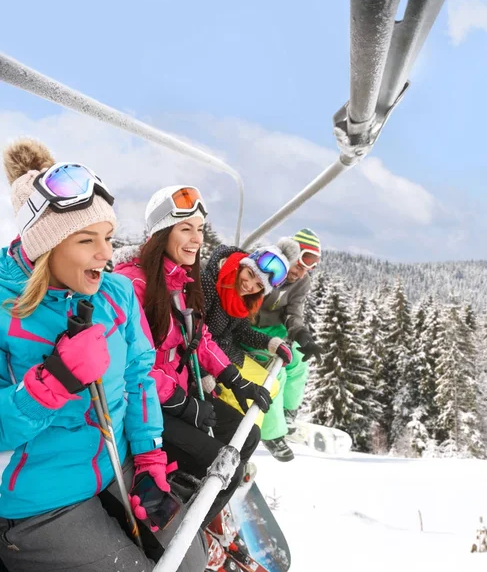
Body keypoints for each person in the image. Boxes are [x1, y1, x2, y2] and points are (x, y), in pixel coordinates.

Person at [0, 140, 206, 571]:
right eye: (86, 240)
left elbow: (138, 376)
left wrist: (149, 458)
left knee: (191, 561)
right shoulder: (7, 310)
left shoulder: (114, 294)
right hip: (40, 495)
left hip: (116, 462)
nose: (106, 254)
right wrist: (50, 382)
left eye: (109, 238)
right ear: (45, 245)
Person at [113, 185, 265, 532]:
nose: (196, 239)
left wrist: (234, 379)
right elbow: (132, 363)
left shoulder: (181, 279)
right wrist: (181, 402)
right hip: (146, 403)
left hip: (177, 394)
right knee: (226, 465)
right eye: (186, 228)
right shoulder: (132, 285)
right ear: (162, 232)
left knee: (248, 433)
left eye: (199, 229)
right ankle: (184, 535)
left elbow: (200, 337)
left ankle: (199, 510)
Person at [251, 228, 324, 461]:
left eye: (307, 269)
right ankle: (271, 433)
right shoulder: (266, 267)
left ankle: (287, 412)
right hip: (248, 329)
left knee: (299, 361)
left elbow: (294, 312)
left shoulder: (301, 282)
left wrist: (302, 334)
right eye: (298, 265)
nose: (300, 273)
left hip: (274, 329)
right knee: (276, 371)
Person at [199, 244, 294, 419]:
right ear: (242, 265)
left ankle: (248, 435)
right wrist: (201, 373)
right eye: (249, 274)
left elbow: (241, 331)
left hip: (227, 354)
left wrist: (270, 343)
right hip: (206, 358)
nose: (249, 286)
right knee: (245, 403)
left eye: (258, 285)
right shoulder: (208, 282)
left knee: (270, 386)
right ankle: (233, 435)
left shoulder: (242, 299)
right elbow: (190, 332)